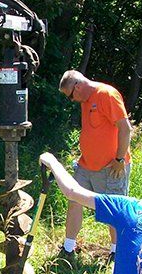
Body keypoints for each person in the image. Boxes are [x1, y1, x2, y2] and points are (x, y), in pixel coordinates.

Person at [57, 69, 133, 263]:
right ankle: (68, 248)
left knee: (113, 209)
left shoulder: (107, 95)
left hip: (110, 167)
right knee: (74, 199)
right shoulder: (85, 100)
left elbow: (125, 129)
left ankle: (117, 252)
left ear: (78, 86)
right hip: (86, 166)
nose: (72, 100)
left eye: (71, 95)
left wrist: (119, 160)